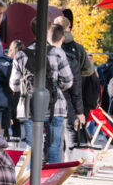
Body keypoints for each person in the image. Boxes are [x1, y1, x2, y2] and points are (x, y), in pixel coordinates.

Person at [11, 21, 73, 164]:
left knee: (32, 148)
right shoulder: (58, 53)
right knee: (54, 147)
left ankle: (29, 183)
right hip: (55, 107)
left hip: (30, 107)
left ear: (32, 31)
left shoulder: (21, 55)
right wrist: (55, 87)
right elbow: (68, 81)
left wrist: (27, 88)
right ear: (48, 30)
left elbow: (14, 85)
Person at [53, 15, 87, 160]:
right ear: (69, 28)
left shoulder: (44, 49)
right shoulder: (77, 49)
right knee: (70, 129)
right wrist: (80, 110)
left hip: (49, 98)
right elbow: (80, 78)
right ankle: (71, 163)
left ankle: (51, 166)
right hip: (68, 98)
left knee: (52, 136)